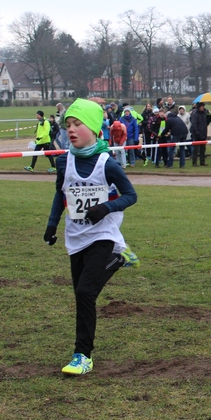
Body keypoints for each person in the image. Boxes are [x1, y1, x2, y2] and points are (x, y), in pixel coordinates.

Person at [42, 98, 139, 376]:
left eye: (77, 124)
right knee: (82, 295)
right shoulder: (64, 161)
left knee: (85, 292)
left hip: (102, 234)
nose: (71, 130)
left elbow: (131, 196)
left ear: (95, 129)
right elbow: (60, 194)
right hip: (75, 236)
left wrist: (105, 208)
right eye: (68, 125)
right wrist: (51, 225)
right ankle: (120, 258)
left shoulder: (107, 163)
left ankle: (82, 355)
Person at [190, 102, 211, 166]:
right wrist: (197, 133)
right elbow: (194, 124)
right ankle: (194, 162)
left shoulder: (204, 113)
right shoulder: (195, 114)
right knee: (196, 149)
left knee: (203, 149)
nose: (203, 107)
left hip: (203, 133)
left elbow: (206, 123)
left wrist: (209, 118)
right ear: (199, 107)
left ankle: (202, 161)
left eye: (203, 106)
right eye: (202, 106)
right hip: (197, 134)